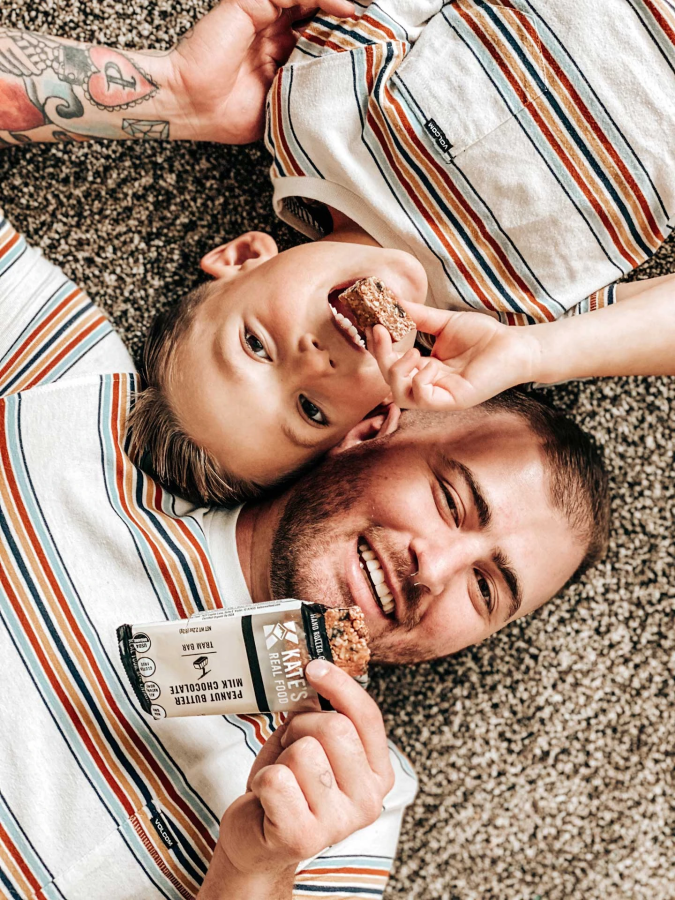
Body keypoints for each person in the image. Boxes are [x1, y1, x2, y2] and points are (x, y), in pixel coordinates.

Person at [0, 205, 609, 899]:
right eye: (451, 501)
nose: (433, 571)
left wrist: (253, 869)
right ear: (372, 430)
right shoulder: (71, 391)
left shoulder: (353, 802)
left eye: (484, 590)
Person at [2, 0, 672, 511]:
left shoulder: (313, 119)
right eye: (311, 411)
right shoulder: (515, 323)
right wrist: (538, 354)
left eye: (256, 346)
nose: (312, 364)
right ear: (378, 419)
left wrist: (174, 88)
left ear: (241, 257)